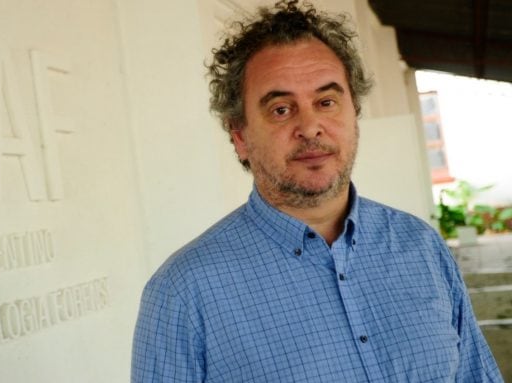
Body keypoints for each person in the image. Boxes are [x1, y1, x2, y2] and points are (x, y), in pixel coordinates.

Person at [131, 1, 503, 382]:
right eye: (280, 109)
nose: (310, 127)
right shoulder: (183, 293)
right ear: (239, 136)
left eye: (326, 102)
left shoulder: (421, 246)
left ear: (353, 114)